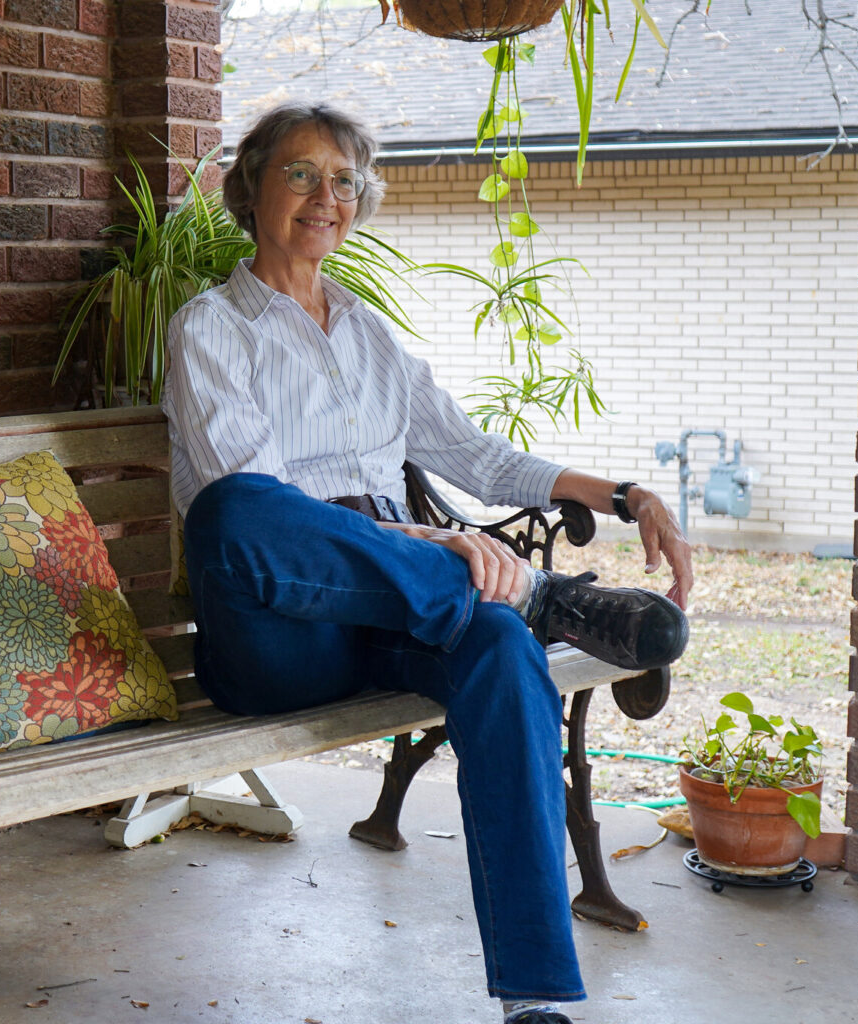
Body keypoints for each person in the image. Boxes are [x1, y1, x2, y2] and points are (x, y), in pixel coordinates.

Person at [163, 101, 695, 1024]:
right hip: (279, 633)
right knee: (236, 509)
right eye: (299, 173)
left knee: (499, 648)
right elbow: (255, 499)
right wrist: (437, 546)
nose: (324, 196)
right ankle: (544, 595)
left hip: (402, 610)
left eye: (342, 180)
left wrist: (621, 495)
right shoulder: (211, 328)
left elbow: (476, 454)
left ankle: (534, 999)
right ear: (249, 192)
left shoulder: (367, 333)